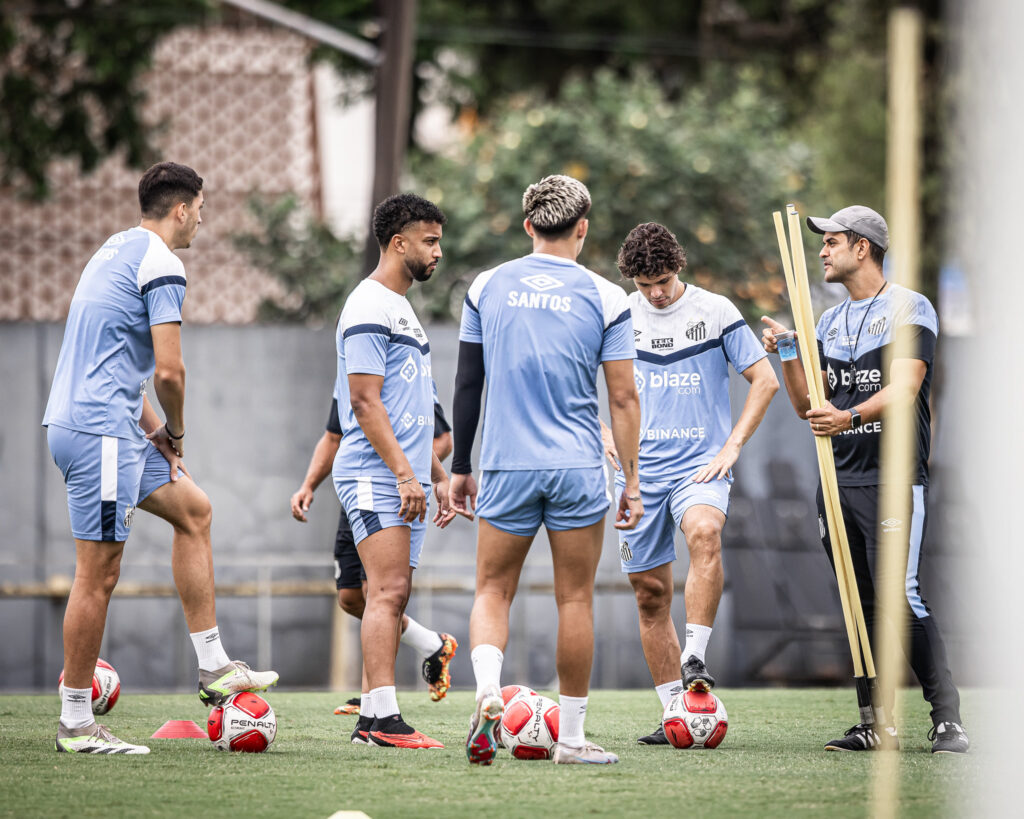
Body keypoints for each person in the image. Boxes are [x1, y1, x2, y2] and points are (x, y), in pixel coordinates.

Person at [42, 162, 278, 755]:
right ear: (181, 209)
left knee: (194, 510)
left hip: (107, 425)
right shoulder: (164, 263)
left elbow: (121, 366)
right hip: (99, 433)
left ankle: (214, 667)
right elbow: (170, 372)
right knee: (99, 574)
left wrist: (158, 437)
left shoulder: (114, 249)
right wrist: (177, 429)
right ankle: (76, 722)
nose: (202, 219)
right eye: (201, 208)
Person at [450, 174, 644, 766]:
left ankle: (488, 691)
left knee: (492, 590)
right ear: (582, 228)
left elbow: (468, 383)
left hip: (506, 464)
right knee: (575, 600)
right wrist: (632, 481)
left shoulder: (486, 286)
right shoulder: (608, 297)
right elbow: (623, 398)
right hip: (577, 467)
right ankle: (572, 741)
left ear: (528, 224)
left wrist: (461, 466)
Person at [761, 205, 968, 754]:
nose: (822, 251)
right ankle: (875, 722)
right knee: (860, 605)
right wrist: (789, 352)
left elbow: (904, 388)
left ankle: (947, 720)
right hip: (838, 482)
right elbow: (809, 405)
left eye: (832, 241)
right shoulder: (828, 321)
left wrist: (849, 417)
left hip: (894, 479)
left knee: (901, 597)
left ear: (862, 247)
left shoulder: (910, 306)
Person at [605, 222, 778, 745]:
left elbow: (765, 380)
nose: (656, 293)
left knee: (705, 530)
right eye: (644, 285)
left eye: (662, 281)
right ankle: (674, 713)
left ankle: (695, 657)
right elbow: (573, 380)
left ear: (678, 268)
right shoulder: (618, 316)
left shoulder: (716, 311)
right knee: (650, 595)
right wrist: (601, 434)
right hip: (637, 476)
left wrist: (732, 446)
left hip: (699, 468)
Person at [331, 192, 460, 750]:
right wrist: (406, 476)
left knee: (393, 593)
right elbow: (365, 402)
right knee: (385, 593)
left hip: (402, 475)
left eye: (439, 241)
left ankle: (373, 720)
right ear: (398, 242)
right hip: (372, 473)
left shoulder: (401, 307)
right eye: (429, 241)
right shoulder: (368, 304)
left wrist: (437, 476)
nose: (438, 252)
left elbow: (408, 413)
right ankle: (381, 722)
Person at [289, 386, 458, 738]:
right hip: (357, 485)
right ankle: (430, 646)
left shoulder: (406, 376)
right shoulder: (351, 374)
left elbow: (440, 439)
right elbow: (333, 437)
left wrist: (408, 468)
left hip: (392, 485)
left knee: (380, 592)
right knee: (352, 597)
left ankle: (374, 706)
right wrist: (308, 485)